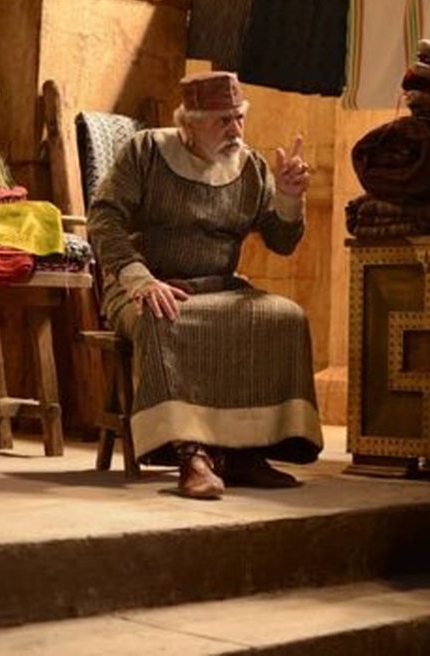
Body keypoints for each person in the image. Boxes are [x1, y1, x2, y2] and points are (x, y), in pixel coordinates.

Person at [87, 70, 322, 500]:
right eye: (223, 121)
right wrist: (140, 279)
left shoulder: (250, 167)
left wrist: (289, 197)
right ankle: (191, 454)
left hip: (219, 286)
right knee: (165, 316)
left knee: (285, 317)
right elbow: (104, 218)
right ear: (189, 124)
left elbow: (282, 241)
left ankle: (248, 451)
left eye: (239, 117)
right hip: (144, 284)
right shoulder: (147, 152)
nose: (235, 130)